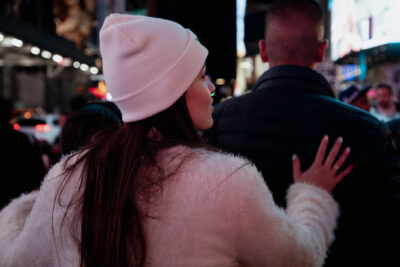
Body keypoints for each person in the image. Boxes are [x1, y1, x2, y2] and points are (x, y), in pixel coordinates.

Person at [0, 14, 352, 266]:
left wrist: (28, 206)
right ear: (175, 93)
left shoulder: (69, 176)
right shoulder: (226, 181)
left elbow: (14, 257)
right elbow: (299, 259)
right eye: (201, 77)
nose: (212, 87)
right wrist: (312, 195)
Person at [202, 1, 400, 266]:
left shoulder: (218, 121)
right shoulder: (369, 129)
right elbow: (387, 228)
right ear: (321, 51)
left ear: (262, 51)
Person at [0, 97, 46, 208]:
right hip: (18, 201)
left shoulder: (25, 140)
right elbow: (39, 172)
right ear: (11, 115)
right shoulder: (25, 140)